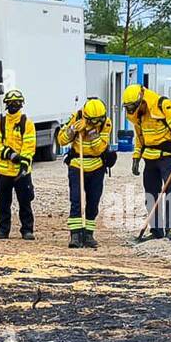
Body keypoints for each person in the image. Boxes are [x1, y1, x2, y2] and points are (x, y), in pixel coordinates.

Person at [124, 82, 171, 241]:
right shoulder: (138, 115)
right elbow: (140, 138)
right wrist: (136, 157)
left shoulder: (163, 105)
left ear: (141, 100)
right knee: (151, 194)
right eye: (128, 107)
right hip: (150, 158)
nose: (131, 110)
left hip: (168, 156)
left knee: (170, 191)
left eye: (133, 106)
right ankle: (156, 230)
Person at [57, 98, 112, 249]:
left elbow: (99, 149)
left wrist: (91, 131)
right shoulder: (77, 117)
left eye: (97, 121)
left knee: (93, 201)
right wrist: (73, 129)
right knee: (76, 200)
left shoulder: (106, 123)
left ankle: (88, 234)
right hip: (77, 165)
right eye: (92, 121)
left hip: (96, 166)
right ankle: (75, 235)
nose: (96, 123)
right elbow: (61, 141)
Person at [0, 88, 36, 240]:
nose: (13, 106)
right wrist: (10, 154)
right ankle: (3, 230)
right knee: (3, 203)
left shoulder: (27, 123)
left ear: (21, 104)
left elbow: (29, 146)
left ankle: (27, 230)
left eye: (17, 103)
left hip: (21, 172)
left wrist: (23, 163)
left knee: (25, 202)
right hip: (3, 171)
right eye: (11, 103)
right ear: (6, 104)